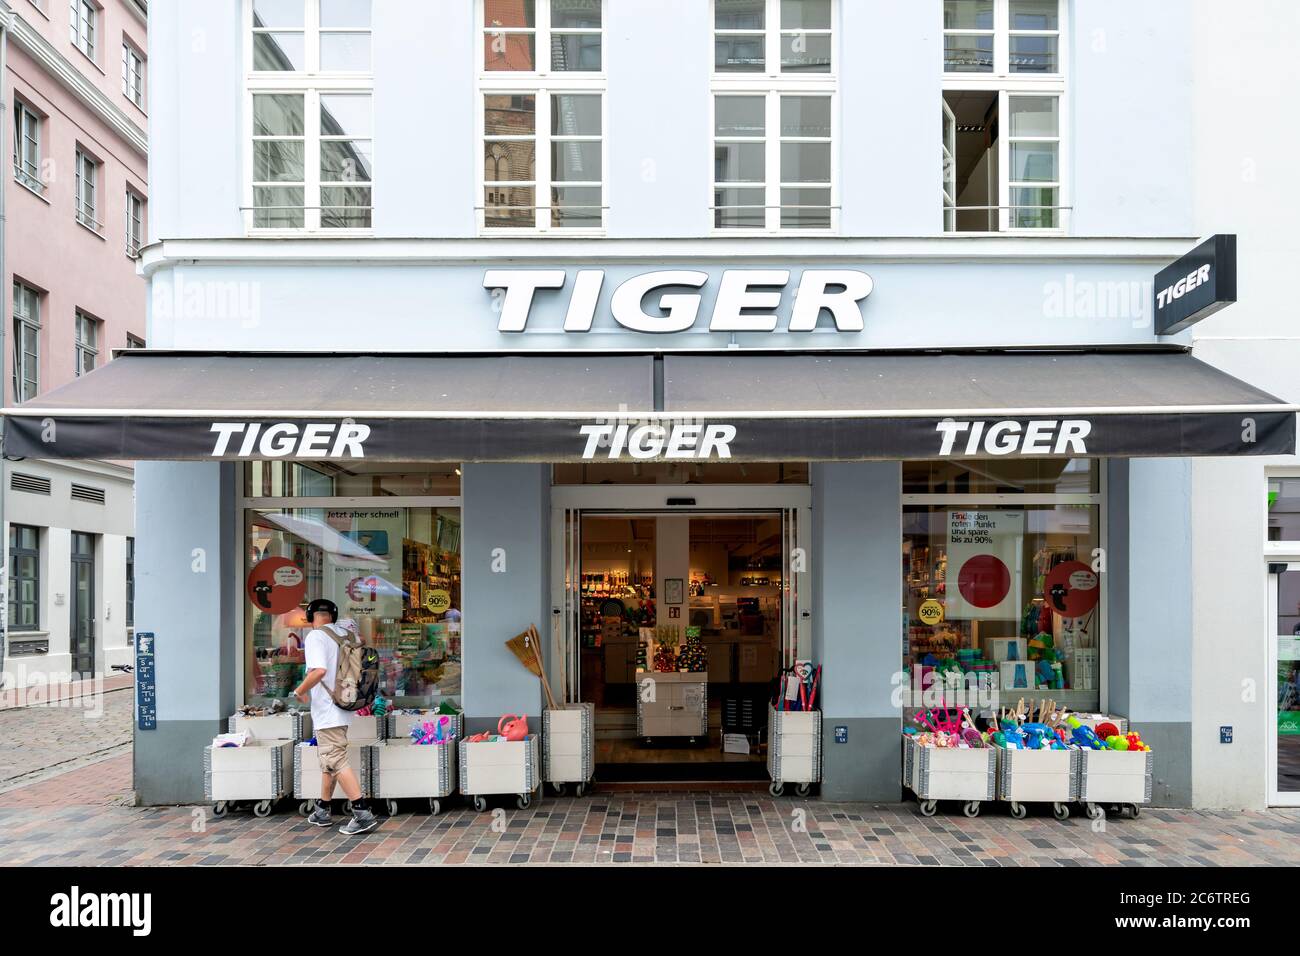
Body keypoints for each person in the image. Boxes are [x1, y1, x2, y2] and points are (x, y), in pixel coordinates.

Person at [292, 598, 378, 835]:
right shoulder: (344, 634)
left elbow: (319, 670)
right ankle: (322, 809)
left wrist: (299, 691)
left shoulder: (316, 636)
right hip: (344, 705)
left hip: (328, 709)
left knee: (335, 759)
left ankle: (362, 813)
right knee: (328, 760)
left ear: (310, 617)